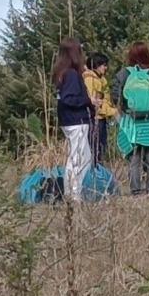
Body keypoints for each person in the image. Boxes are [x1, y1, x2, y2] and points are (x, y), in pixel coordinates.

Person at [113, 42, 149, 195]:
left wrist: (120, 113)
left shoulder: (124, 73)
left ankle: (136, 191)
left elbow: (114, 97)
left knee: (134, 158)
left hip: (132, 122)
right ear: (148, 55)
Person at [52, 38, 94, 202]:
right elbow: (68, 99)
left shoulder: (62, 73)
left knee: (85, 157)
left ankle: (74, 191)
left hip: (69, 120)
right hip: (76, 121)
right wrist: (88, 102)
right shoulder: (71, 74)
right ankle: (73, 194)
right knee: (77, 158)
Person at [83, 52, 117, 164]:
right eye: (104, 65)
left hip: (102, 118)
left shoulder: (102, 80)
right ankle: (94, 174)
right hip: (94, 118)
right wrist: (113, 112)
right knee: (95, 149)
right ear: (97, 65)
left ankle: (99, 172)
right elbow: (95, 103)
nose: (106, 68)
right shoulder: (90, 79)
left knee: (101, 149)